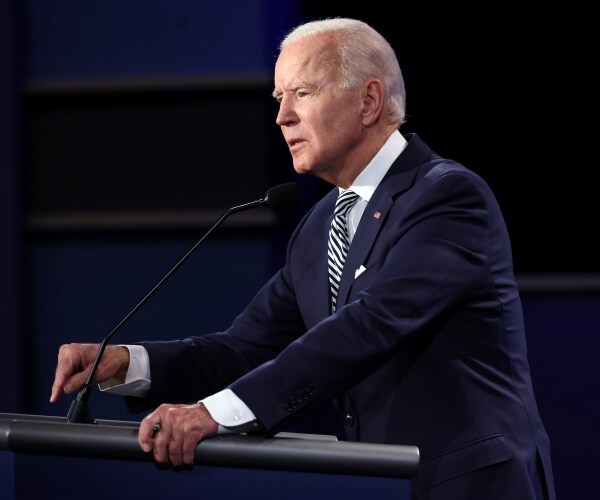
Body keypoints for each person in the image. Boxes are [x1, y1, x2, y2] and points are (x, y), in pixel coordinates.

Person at [50, 18, 555, 499]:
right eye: (278, 97)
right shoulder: (319, 227)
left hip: (469, 485)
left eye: (303, 93)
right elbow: (242, 349)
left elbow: (371, 324)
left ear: (369, 100)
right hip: (381, 486)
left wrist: (214, 413)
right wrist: (126, 363)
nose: (282, 116)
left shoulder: (447, 198)